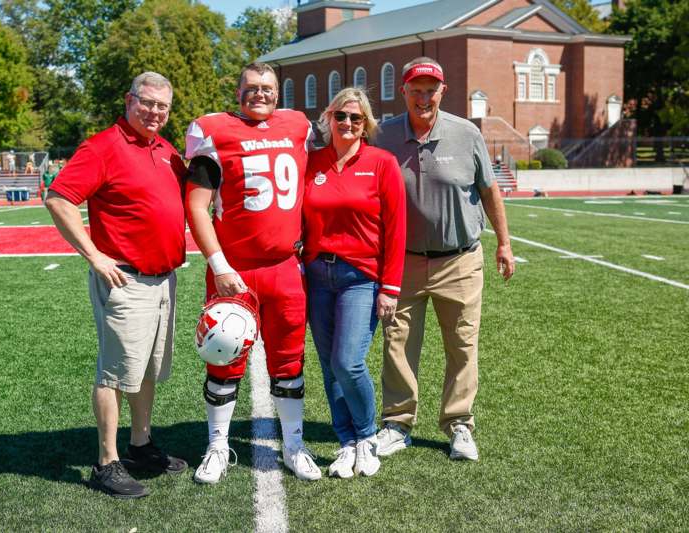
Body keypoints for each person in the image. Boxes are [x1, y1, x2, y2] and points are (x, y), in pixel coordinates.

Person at [46, 71, 188, 499]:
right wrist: (94, 255)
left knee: (146, 368)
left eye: (162, 106)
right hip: (126, 278)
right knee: (114, 372)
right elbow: (59, 197)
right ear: (129, 100)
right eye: (147, 103)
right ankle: (106, 462)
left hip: (164, 280)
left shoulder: (165, 149)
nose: (155, 112)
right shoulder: (103, 146)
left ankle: (140, 445)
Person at [185, 62, 321, 483]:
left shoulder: (298, 125)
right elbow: (195, 206)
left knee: (288, 361)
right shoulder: (215, 131)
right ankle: (217, 445)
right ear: (237, 90)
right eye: (251, 88)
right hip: (234, 272)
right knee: (223, 359)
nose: (259, 94)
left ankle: (294, 445)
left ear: (278, 93)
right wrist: (219, 265)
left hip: (284, 267)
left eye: (267, 88)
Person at [374, 57, 515, 462]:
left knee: (462, 346)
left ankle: (459, 425)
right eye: (415, 90)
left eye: (430, 90)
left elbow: (490, 192)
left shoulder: (467, 133)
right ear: (403, 91)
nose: (423, 97)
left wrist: (504, 244)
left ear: (443, 92)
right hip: (403, 261)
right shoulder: (381, 136)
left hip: (460, 260)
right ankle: (397, 424)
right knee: (397, 344)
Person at [302, 88, 406, 478]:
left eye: (356, 118)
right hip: (317, 277)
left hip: (360, 278)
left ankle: (366, 437)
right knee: (330, 367)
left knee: (349, 361)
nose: (348, 124)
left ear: (367, 124)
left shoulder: (382, 163)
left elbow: (397, 230)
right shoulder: (312, 163)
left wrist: (390, 288)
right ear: (329, 118)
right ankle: (346, 442)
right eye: (341, 116)